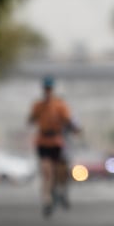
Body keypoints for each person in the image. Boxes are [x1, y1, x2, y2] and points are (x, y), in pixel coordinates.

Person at [27, 75, 80, 217]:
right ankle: (47, 201)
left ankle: (61, 192)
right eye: (46, 89)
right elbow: (31, 119)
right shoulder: (39, 105)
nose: (48, 91)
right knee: (46, 172)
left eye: (49, 89)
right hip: (43, 141)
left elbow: (69, 121)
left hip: (58, 142)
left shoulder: (60, 106)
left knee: (60, 171)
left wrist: (74, 129)